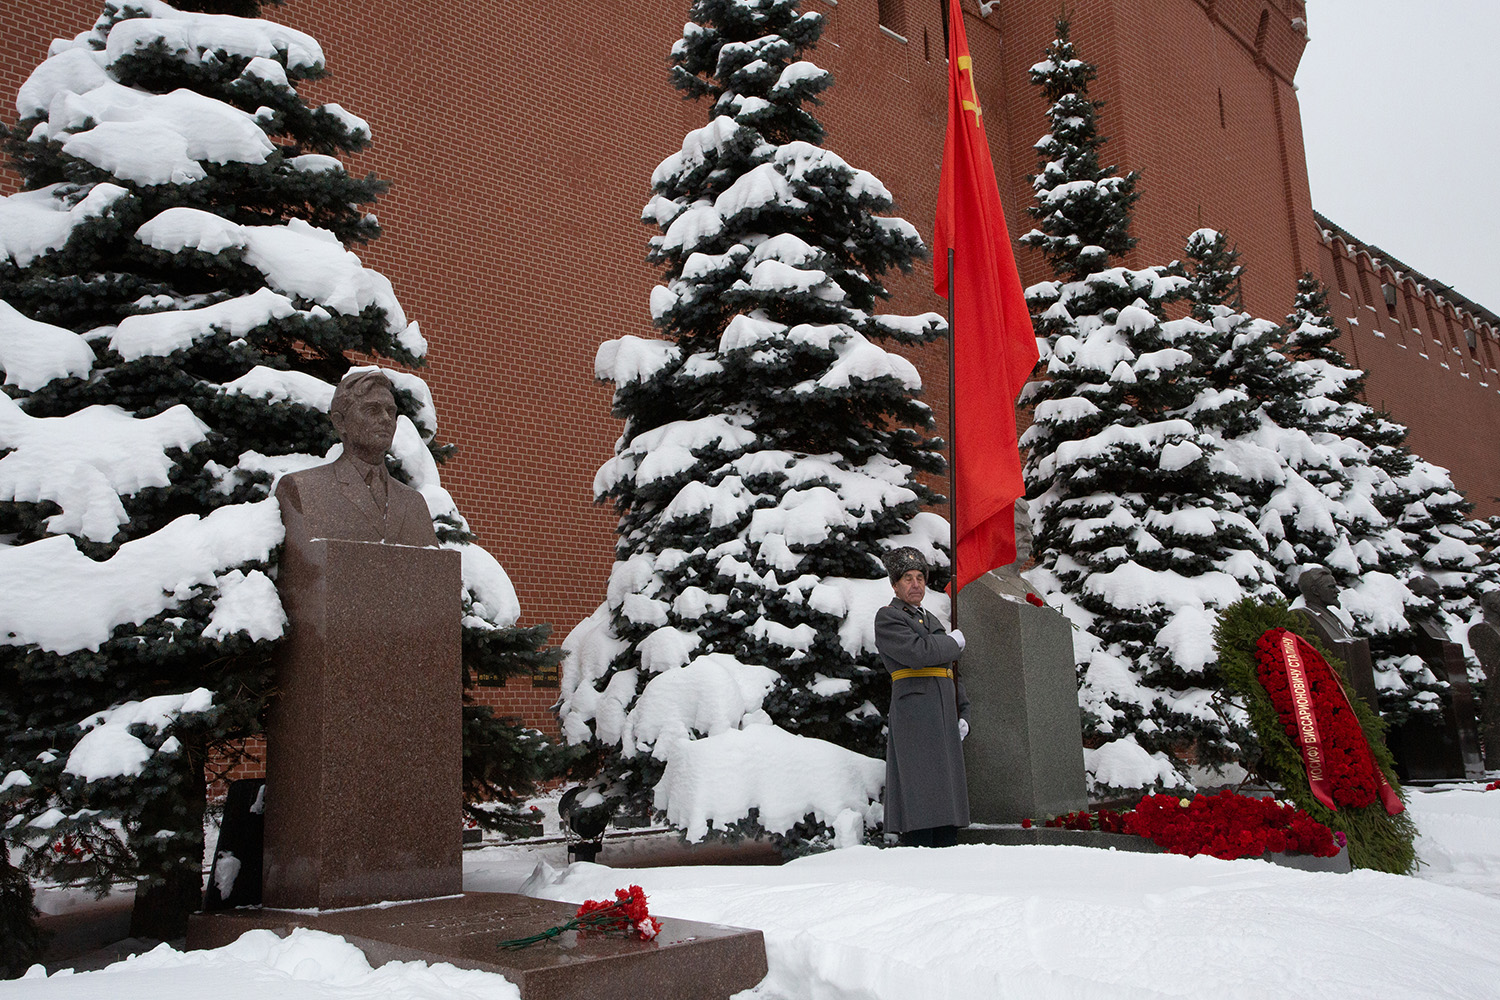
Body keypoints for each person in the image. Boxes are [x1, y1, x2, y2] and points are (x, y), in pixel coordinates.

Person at [874, 547, 970, 848]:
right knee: (920, 785)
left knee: (945, 789)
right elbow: (919, 654)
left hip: (943, 709)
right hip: (915, 709)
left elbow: (948, 669)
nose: (916, 584)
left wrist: (962, 710)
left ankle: (945, 842)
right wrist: (950, 643)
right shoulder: (889, 617)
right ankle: (919, 847)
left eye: (920, 578)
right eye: (907, 579)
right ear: (895, 585)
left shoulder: (931, 621)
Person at [276, 369, 437, 548]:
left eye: (390, 411)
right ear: (340, 422)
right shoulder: (303, 489)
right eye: (372, 410)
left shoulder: (414, 503)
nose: (386, 419)